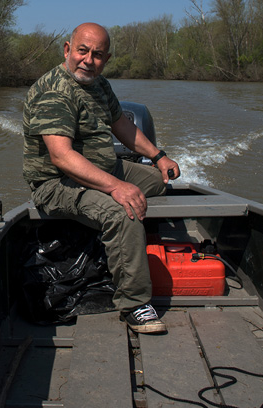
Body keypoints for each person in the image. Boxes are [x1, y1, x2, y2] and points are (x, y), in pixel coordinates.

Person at [22, 22, 180, 334]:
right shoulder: (55, 91)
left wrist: (159, 156)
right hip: (56, 183)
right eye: (82, 51)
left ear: (106, 59)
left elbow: (121, 124)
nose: (88, 60)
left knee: (158, 183)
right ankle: (134, 304)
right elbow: (61, 156)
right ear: (68, 50)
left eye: (97, 55)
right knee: (124, 211)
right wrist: (117, 187)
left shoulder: (99, 84)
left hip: (104, 167)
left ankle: (123, 251)